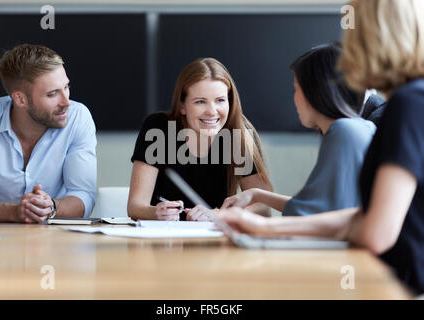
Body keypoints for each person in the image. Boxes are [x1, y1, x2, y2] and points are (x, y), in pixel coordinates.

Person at [218, 0, 424, 295]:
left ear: (373, 37)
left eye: (353, 37)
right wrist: (263, 228)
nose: (347, 55)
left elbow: (375, 232)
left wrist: (268, 228)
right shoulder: (409, 101)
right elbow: (364, 214)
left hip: (395, 287)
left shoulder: (407, 105)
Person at [222, 43, 375, 216]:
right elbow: (312, 206)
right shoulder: (357, 127)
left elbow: (315, 213)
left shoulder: (343, 131)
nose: (294, 99)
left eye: (296, 88)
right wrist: (256, 194)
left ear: (316, 91)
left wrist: (257, 225)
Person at [128, 57, 272, 221]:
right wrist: (156, 212)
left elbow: (263, 207)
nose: (212, 111)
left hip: (215, 239)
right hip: (165, 239)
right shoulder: (158, 127)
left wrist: (219, 214)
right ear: (182, 106)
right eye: (200, 102)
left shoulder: (237, 133)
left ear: (230, 103)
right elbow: (135, 207)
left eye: (220, 100)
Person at [0, 44, 97, 223]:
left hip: (55, 240)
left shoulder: (78, 117)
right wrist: (15, 212)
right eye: (53, 94)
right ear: (20, 99)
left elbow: (83, 194)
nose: (66, 102)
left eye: (66, 87)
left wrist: (51, 207)